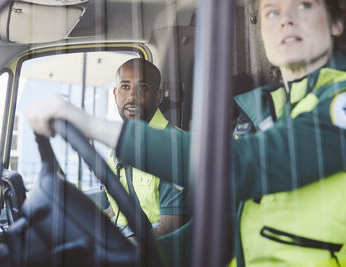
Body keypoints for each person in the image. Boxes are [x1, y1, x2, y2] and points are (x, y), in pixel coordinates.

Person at [26, 0, 346, 265]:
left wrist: (89, 124)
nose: (286, 21)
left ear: (336, 23)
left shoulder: (339, 102)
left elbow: (237, 166)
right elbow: (221, 229)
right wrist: (133, 257)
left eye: (304, 5)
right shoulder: (269, 110)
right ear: (261, 31)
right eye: (272, 12)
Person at [105, 58, 189, 238]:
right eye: (125, 87)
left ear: (158, 96)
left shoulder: (174, 147)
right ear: (115, 94)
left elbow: (171, 228)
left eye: (142, 88)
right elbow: (118, 207)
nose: (131, 96)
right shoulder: (118, 146)